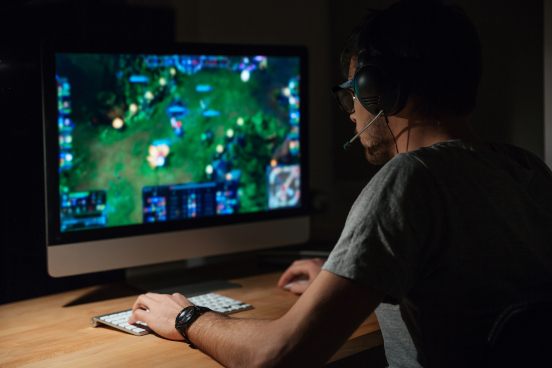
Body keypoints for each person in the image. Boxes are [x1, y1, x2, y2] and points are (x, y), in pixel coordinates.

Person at [128, 1, 552, 367]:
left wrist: (186, 317)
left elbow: (278, 355)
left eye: (352, 93)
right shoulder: (526, 168)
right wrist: (343, 282)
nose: (351, 114)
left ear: (380, 90)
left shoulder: (411, 179)